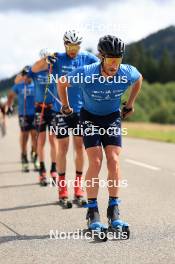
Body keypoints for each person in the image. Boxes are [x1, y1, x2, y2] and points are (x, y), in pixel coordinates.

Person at [58, 35, 142, 231]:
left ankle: (114, 210)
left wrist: (130, 104)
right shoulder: (87, 73)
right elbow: (62, 82)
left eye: (118, 60)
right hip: (89, 117)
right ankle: (92, 211)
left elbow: (139, 79)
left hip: (112, 117)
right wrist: (66, 107)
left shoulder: (127, 72)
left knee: (113, 159)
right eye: (110, 60)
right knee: (95, 161)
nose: (114, 65)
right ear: (101, 58)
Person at [32, 30, 99, 202]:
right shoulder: (57, 57)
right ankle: (62, 189)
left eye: (76, 46)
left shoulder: (87, 57)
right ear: (64, 45)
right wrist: (46, 60)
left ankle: (78, 188)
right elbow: (34, 69)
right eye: (69, 46)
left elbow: (102, 67)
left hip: (80, 111)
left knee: (79, 148)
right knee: (62, 148)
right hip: (59, 110)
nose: (73, 50)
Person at [15, 51, 58, 186]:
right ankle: (42, 170)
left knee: (54, 139)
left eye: (48, 59)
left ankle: (54, 169)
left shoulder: (55, 70)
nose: (46, 62)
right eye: (44, 59)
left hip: (53, 109)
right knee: (41, 141)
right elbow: (17, 81)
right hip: (40, 109)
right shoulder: (35, 72)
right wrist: (23, 72)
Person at [7, 66, 39, 172]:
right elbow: (10, 95)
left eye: (28, 74)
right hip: (23, 114)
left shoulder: (36, 85)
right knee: (25, 136)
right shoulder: (19, 86)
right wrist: (10, 106)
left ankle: (34, 156)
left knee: (35, 136)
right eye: (24, 74)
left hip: (34, 114)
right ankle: (24, 157)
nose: (26, 76)